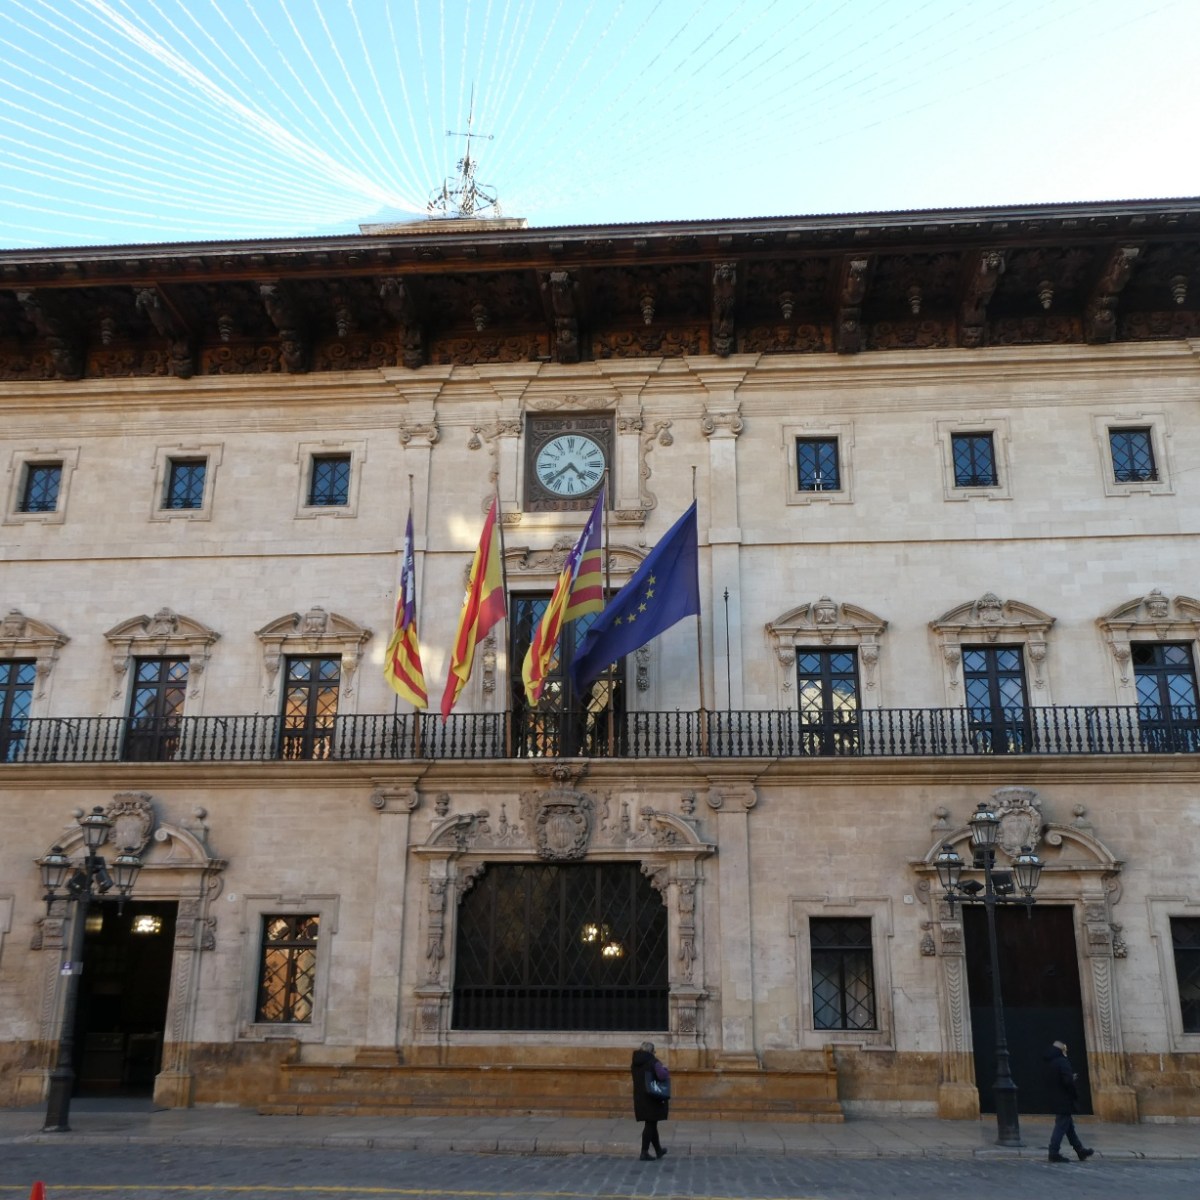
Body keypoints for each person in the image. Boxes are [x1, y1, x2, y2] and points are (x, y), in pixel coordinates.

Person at [1044, 1040, 1094, 1163]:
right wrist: (1073, 1085)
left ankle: (1079, 1150)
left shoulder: (1050, 1062)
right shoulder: (1062, 1062)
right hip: (1064, 1099)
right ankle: (1053, 1152)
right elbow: (1067, 1081)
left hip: (1055, 1097)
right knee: (1061, 1126)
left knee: (1068, 1127)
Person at [630, 1040, 669, 1161]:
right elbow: (662, 1075)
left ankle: (658, 1150)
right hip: (653, 1097)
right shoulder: (653, 1062)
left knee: (652, 1123)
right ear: (651, 1051)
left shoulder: (635, 1063)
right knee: (650, 1124)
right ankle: (644, 1152)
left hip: (640, 1096)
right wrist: (665, 1070)